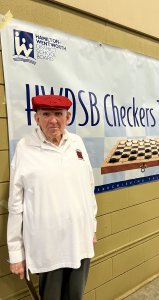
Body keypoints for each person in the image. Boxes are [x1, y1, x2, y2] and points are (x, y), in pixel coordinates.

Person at [7, 95, 97, 300]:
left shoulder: (77, 143)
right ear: (37, 118)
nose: (52, 120)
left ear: (68, 117)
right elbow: (16, 205)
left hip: (80, 242)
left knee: (75, 296)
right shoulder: (25, 147)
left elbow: (88, 189)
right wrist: (16, 254)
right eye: (46, 114)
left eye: (58, 114)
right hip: (48, 247)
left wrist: (92, 228)